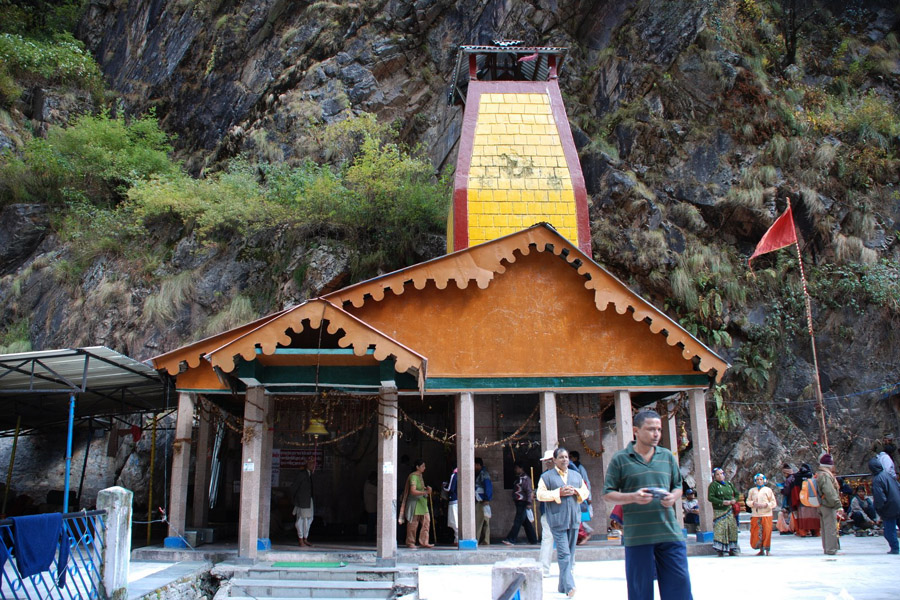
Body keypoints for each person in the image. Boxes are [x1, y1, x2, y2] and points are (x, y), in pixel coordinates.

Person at [603, 410, 692, 600]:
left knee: (680, 589)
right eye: (651, 429)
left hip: (670, 533)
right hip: (638, 536)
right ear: (636, 430)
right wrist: (633, 497)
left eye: (658, 429)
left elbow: (678, 486)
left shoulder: (667, 456)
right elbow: (608, 494)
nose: (656, 434)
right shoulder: (620, 459)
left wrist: (673, 497)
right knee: (640, 592)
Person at [537, 447, 589, 598]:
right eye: (561, 457)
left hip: (573, 519)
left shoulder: (576, 475)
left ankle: (561, 584)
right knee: (564, 553)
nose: (564, 460)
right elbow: (540, 495)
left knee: (570, 553)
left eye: (566, 457)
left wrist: (576, 491)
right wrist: (558, 493)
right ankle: (569, 586)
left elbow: (585, 492)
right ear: (554, 460)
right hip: (557, 519)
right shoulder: (546, 477)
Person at [398, 458, 433, 549]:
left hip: (422, 503)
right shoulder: (413, 476)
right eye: (423, 466)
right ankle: (410, 542)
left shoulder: (420, 476)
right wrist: (425, 492)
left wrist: (426, 489)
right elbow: (413, 491)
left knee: (426, 522)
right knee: (413, 524)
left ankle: (424, 542)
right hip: (415, 503)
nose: (424, 468)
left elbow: (420, 488)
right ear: (417, 467)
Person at [502, 460, 538, 545]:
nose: (515, 470)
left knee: (518, 521)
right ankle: (533, 539)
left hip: (523, 502)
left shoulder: (525, 479)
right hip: (519, 502)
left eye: (517, 468)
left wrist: (529, 503)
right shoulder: (519, 478)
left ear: (521, 468)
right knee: (526, 522)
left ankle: (511, 539)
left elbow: (529, 491)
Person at [869, 456, 900, 554]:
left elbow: (880, 497)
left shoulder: (877, 479)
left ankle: (895, 548)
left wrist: (879, 509)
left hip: (889, 507)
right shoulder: (888, 475)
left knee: (889, 531)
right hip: (897, 503)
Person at [707, 467, 740, 556]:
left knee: (732, 528)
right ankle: (720, 549)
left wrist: (734, 500)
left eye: (721, 474)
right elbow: (710, 497)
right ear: (714, 476)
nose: (720, 476)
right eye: (717, 474)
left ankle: (732, 549)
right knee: (720, 529)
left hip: (730, 510)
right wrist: (721, 502)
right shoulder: (713, 485)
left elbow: (737, 494)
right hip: (719, 511)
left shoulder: (729, 484)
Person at [815, 453, 843, 555]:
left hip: (821, 504)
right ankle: (831, 549)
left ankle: (827, 548)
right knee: (830, 527)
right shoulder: (826, 475)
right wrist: (838, 505)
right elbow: (830, 492)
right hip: (828, 504)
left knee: (825, 527)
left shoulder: (819, 474)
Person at [746, 473, 777, 556]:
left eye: (761, 479)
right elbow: (748, 501)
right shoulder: (752, 490)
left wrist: (766, 505)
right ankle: (761, 550)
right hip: (756, 515)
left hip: (766, 514)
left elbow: (773, 502)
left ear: (764, 480)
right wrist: (753, 503)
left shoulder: (768, 490)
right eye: (757, 480)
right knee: (756, 532)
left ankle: (767, 550)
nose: (759, 481)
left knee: (767, 532)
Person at [537, 449, 556, 577]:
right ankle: (544, 568)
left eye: (550, 460)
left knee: (566, 540)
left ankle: (569, 567)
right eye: (546, 461)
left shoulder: (567, 475)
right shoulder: (544, 476)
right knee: (547, 539)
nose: (548, 463)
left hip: (562, 512)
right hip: (547, 512)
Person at [569, 450, 593, 545]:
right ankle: (585, 532)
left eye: (570, 457)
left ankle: (585, 533)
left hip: (579, 498)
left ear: (575, 458)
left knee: (577, 518)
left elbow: (586, 482)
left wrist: (588, 496)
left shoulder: (579, 468)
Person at [290, 457, 315, 547]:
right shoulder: (302, 474)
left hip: (309, 501)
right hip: (302, 501)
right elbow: (294, 487)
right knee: (301, 521)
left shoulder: (311, 474)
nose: (312, 465)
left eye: (313, 463)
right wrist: (295, 500)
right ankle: (300, 539)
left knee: (309, 519)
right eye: (311, 463)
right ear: (307, 464)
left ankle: (305, 538)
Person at [791, 463, 820, 537]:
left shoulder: (796, 477)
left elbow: (794, 490)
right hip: (813, 499)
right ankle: (815, 532)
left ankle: (803, 532)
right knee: (814, 516)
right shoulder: (813, 476)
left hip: (802, 499)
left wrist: (795, 501)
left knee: (803, 517)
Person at [474, 457, 493, 545]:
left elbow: (488, 487)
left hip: (481, 500)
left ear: (478, 465)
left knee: (479, 521)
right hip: (483, 500)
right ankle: (486, 540)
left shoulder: (483, 474)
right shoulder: (481, 474)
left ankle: (476, 539)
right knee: (485, 521)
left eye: (475, 465)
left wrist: (486, 498)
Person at [444, 467, 459, 544]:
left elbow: (450, 488)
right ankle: (456, 539)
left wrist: (444, 486)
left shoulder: (454, 475)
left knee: (454, 520)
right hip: (459, 500)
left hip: (453, 500)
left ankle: (457, 539)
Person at [363, 470, 377, 541]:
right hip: (371, 507)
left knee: (371, 522)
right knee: (371, 523)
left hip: (371, 506)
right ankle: (369, 536)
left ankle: (370, 536)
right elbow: (378, 491)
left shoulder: (368, 485)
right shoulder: (369, 486)